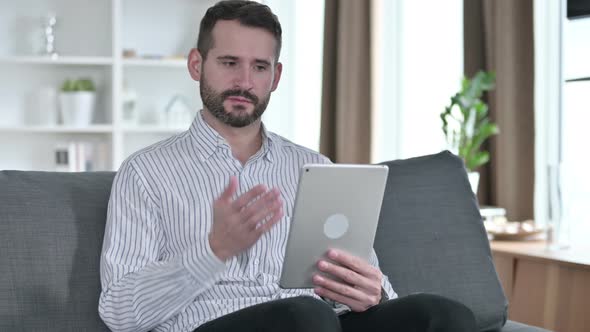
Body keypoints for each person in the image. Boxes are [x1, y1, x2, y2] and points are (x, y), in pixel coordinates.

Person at [98, 1, 477, 331]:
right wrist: (212, 252)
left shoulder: (315, 168)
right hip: (219, 324)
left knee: (444, 315)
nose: (244, 82)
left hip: (324, 322)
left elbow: (360, 287)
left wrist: (374, 293)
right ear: (197, 65)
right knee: (305, 317)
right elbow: (118, 312)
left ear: (275, 77)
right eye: (230, 63)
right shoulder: (146, 173)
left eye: (260, 67)